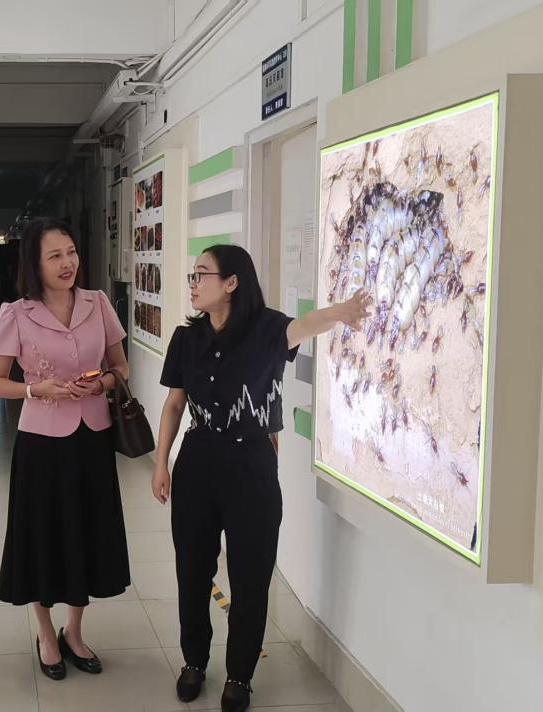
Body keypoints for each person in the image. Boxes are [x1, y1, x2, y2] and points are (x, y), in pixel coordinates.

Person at [152, 244, 371, 712]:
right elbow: (174, 404)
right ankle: (193, 662)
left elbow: (305, 325)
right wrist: (160, 462)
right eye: (193, 275)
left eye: (202, 274)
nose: (193, 283)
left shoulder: (268, 329)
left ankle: (240, 675)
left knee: (250, 576)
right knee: (192, 571)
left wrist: (341, 312)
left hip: (250, 465)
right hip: (197, 463)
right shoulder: (186, 338)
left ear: (232, 283)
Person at [0, 217, 132, 681]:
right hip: (41, 443)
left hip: (93, 436)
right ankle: (46, 633)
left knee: (87, 530)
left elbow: (121, 366)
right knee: (42, 534)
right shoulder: (15, 314)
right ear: (35, 263)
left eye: (71, 252)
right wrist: (36, 389)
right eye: (55, 256)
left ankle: (75, 630)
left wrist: (102, 383)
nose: (67, 263)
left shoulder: (98, 302)